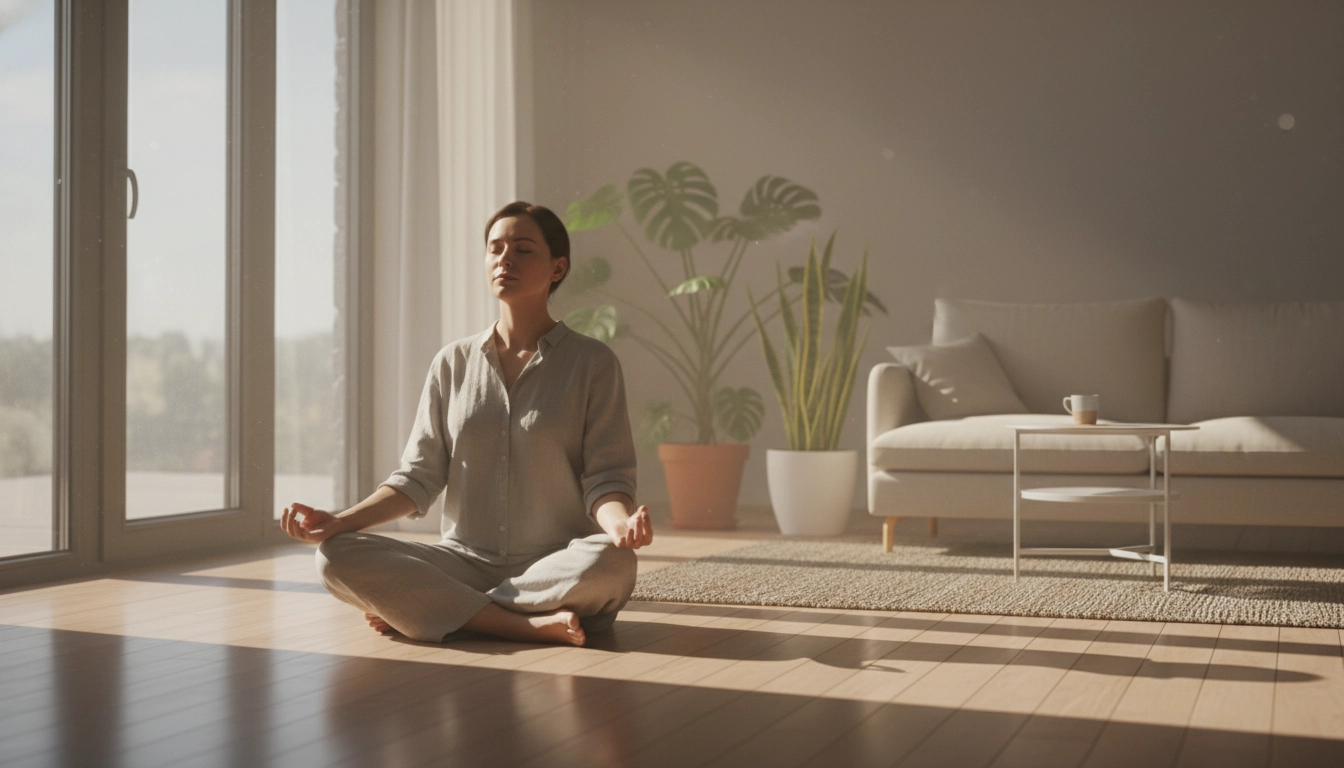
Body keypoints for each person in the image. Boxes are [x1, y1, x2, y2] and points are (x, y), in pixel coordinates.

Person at [280, 201, 653, 647]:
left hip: (557, 562)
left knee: (612, 563)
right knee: (335, 557)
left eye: (523, 249)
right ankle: (515, 622)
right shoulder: (451, 363)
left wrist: (618, 527)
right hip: (462, 560)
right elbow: (418, 478)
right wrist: (338, 521)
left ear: (558, 268)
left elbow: (606, 478)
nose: (505, 259)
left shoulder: (593, 363)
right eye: (495, 249)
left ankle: (441, 609)